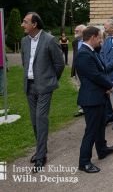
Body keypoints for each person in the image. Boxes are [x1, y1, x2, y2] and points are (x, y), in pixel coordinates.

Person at [20, 12, 65, 172]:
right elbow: (25, 62)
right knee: (34, 120)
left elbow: (60, 63)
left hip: (44, 86)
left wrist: (51, 80)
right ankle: (42, 149)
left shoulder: (49, 40)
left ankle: (41, 156)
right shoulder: (24, 41)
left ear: (35, 24)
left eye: (25, 22)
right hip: (29, 86)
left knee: (41, 119)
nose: (22, 25)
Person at [75, 26, 113, 174]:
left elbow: (101, 71)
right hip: (91, 98)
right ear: (93, 37)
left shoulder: (91, 51)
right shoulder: (84, 54)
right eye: (100, 38)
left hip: (98, 95)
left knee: (100, 125)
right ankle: (84, 162)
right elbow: (95, 75)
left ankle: (102, 149)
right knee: (91, 130)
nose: (101, 40)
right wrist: (110, 85)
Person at [72, 24, 86, 117]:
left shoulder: (89, 40)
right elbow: (74, 56)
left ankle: (88, 106)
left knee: (87, 88)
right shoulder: (75, 42)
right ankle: (81, 108)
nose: (75, 32)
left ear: (83, 32)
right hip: (78, 69)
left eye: (77, 31)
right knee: (80, 88)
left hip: (87, 69)